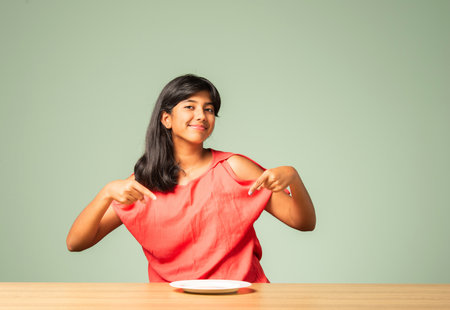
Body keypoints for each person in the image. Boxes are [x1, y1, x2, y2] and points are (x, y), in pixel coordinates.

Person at [66, 74, 316, 283]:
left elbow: (303, 222)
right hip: (170, 304)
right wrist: (106, 192)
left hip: (242, 300)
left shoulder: (235, 168)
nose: (201, 115)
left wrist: (294, 178)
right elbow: (75, 242)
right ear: (166, 119)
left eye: (209, 109)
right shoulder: (143, 184)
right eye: (190, 106)